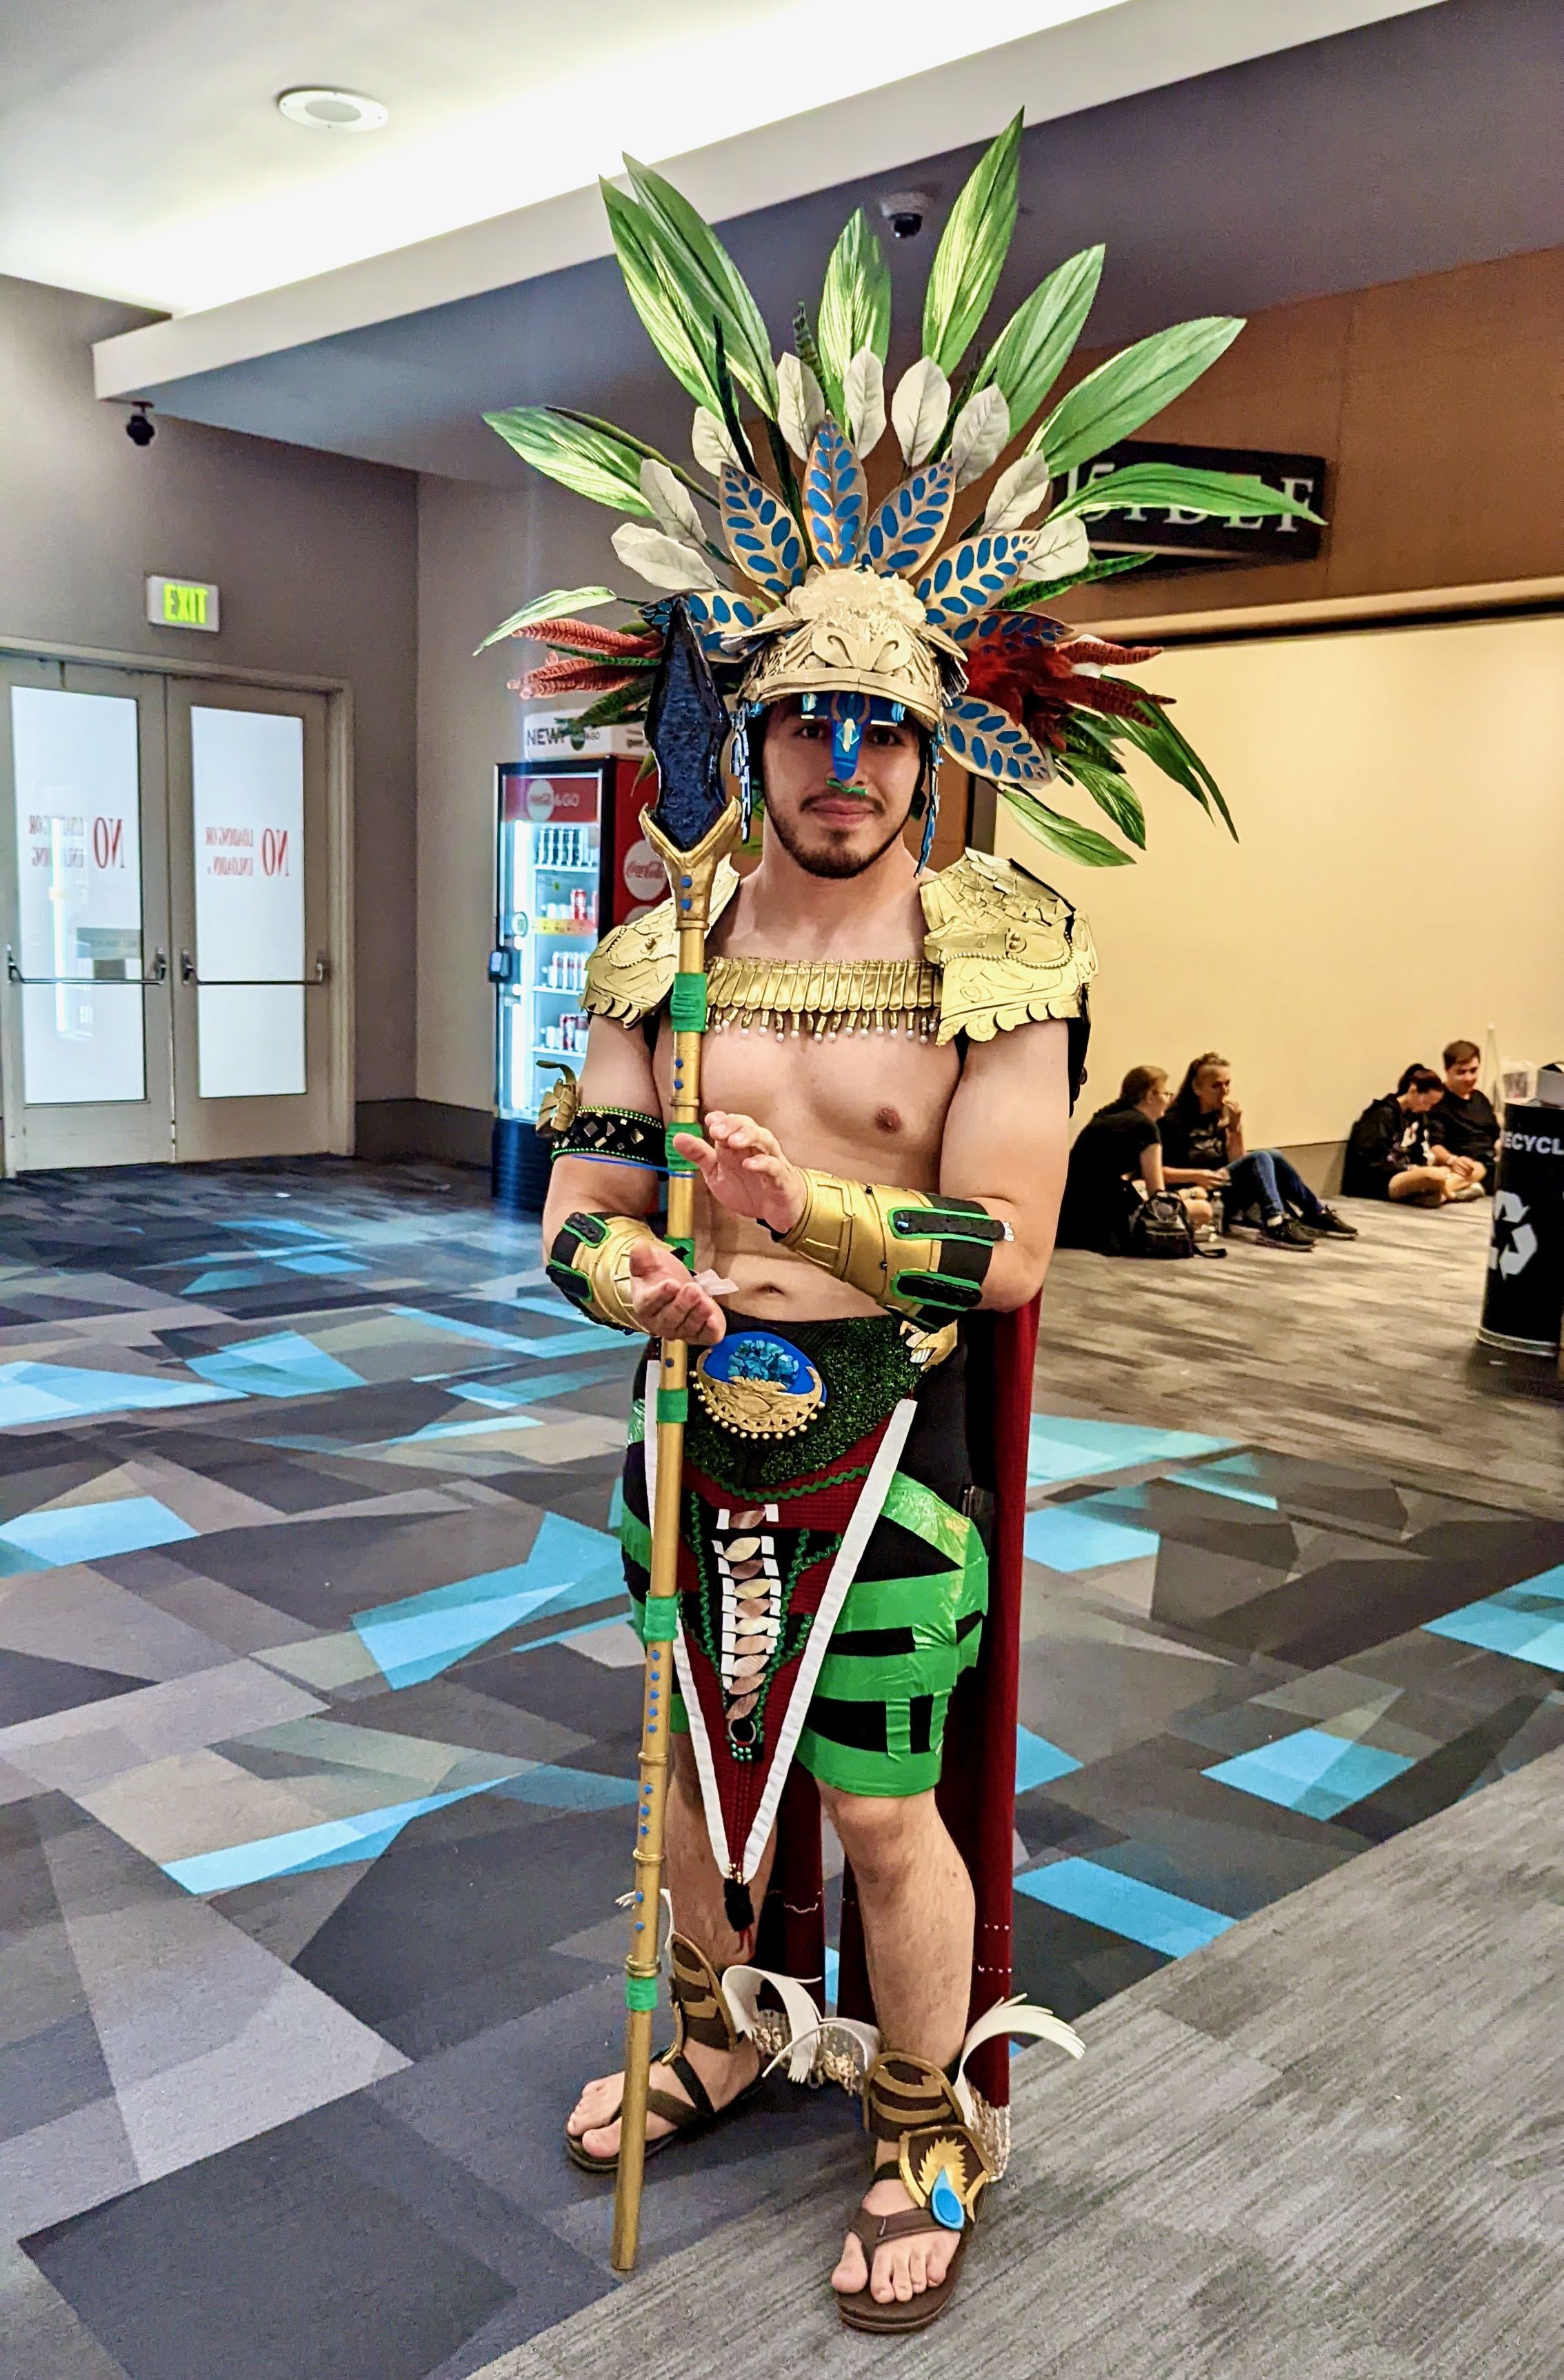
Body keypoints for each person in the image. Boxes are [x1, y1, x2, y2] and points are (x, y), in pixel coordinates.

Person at [496, 127, 1310, 2334]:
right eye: (801, 720)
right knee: (677, 1771)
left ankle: (930, 2105)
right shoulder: (656, 945)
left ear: (931, 743)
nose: (840, 757)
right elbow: (573, 1188)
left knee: (875, 1804)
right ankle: (726, 2020)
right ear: (748, 734)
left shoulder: (997, 942)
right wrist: (630, 1268)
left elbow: (1018, 1244)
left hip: (881, 1445)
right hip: (682, 1416)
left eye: (879, 722)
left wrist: (812, 1210)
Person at [1161, 1052, 1357, 1249]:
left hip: (1221, 1188)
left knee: (1271, 1155)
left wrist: (1236, 1127)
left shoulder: (1216, 1117)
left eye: (1227, 1084)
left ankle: (1316, 1212)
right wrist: (1197, 1175)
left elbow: (1238, 1159)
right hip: (1194, 1190)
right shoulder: (1173, 1122)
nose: (1225, 1091)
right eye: (1216, 1086)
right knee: (1261, 1156)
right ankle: (1275, 1223)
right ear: (1196, 1087)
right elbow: (1157, 1172)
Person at [1057, 1065, 1213, 1251]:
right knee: (1204, 1210)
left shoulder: (1106, 1115)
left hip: (1068, 1217)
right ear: (1150, 1096)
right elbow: (1159, 1198)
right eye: (1166, 1094)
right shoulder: (1146, 1127)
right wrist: (1192, 1192)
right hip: (1103, 1224)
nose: (1169, 1101)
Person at [1343, 1063, 1490, 1204]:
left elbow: (1419, 1153)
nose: (1428, 1108)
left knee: (1477, 1168)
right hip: (1383, 1179)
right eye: (1427, 1102)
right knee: (1434, 1176)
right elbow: (1371, 1160)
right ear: (1413, 1091)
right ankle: (1447, 1192)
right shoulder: (1381, 1114)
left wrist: (1428, 1165)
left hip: (1411, 1171)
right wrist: (1410, 1169)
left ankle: (1436, 1194)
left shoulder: (1417, 1116)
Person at [1430, 1039, 1499, 1188]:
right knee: (1478, 1168)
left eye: (1473, 1071)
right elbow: (1435, 1146)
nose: (1469, 1078)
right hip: (1464, 1165)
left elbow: (1496, 1136)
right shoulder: (1438, 1102)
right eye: (1461, 1072)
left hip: (1491, 1161)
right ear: (1447, 1070)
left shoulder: (1481, 1099)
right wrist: (1453, 1160)